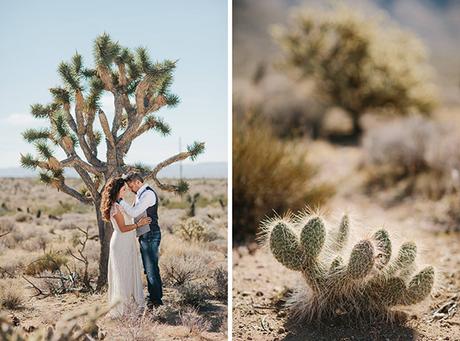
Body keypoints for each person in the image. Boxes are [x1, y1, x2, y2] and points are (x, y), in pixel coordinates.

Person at [101, 177, 151, 317]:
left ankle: (132, 304)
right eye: (123, 189)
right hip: (121, 242)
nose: (125, 192)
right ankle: (123, 308)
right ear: (117, 190)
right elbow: (122, 228)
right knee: (123, 274)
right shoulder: (115, 207)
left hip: (127, 241)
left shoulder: (119, 204)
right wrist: (138, 224)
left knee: (129, 271)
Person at [117, 172, 164, 308]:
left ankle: (156, 301)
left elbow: (133, 212)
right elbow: (133, 213)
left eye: (131, 185)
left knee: (151, 268)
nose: (130, 189)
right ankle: (154, 297)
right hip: (145, 234)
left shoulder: (148, 195)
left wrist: (120, 201)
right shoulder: (140, 195)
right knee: (149, 268)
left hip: (150, 234)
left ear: (138, 182)